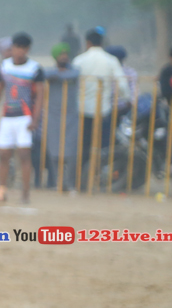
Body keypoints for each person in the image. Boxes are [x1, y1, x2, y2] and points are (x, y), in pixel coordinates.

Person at [0, 32, 44, 203]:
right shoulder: (4, 66)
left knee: (24, 155)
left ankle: (25, 193)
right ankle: (1, 191)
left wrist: (35, 119)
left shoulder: (35, 69)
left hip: (24, 117)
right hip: (7, 116)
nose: (19, 51)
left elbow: (40, 96)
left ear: (27, 49)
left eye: (22, 48)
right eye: (17, 47)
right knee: (3, 154)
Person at [72, 27, 129, 189]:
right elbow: (123, 85)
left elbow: (72, 85)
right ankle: (97, 180)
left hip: (82, 111)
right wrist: (126, 100)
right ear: (102, 43)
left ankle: (80, 182)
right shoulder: (111, 60)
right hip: (103, 112)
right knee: (103, 148)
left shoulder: (79, 60)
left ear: (87, 43)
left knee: (83, 147)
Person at [45, 43, 80, 191]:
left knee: (71, 153)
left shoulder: (75, 71)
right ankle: (57, 183)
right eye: (61, 54)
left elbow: (74, 74)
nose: (64, 57)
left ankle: (70, 184)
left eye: (66, 54)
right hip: (54, 117)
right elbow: (45, 74)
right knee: (54, 152)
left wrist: (58, 76)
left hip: (71, 117)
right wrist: (59, 75)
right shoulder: (50, 72)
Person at [104, 46, 137, 116]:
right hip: (111, 109)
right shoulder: (130, 72)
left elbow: (133, 92)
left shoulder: (129, 72)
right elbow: (134, 93)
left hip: (121, 109)